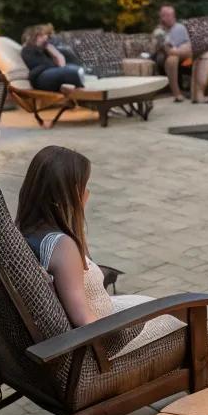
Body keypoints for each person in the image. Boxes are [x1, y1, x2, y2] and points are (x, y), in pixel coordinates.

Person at [16, 145, 184, 354]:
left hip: (107, 312)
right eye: (84, 188)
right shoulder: (62, 247)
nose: (88, 193)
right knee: (191, 322)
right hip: (107, 339)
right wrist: (121, 334)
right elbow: (84, 320)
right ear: (68, 195)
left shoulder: (25, 233)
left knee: (169, 308)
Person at [151, 4, 208, 104]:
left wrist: (177, 50)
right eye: (165, 15)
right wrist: (165, 47)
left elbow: (187, 45)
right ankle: (177, 94)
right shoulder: (158, 31)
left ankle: (198, 94)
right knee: (172, 58)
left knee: (207, 55)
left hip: (182, 55)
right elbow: (159, 50)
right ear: (161, 17)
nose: (169, 18)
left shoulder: (180, 28)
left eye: (171, 15)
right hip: (165, 58)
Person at [20, 25, 86, 94]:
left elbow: (61, 64)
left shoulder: (45, 50)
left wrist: (52, 50)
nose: (44, 38)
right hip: (40, 78)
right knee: (72, 71)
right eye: (40, 36)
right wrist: (55, 64)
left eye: (45, 36)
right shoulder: (27, 50)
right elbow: (41, 66)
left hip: (50, 74)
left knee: (73, 68)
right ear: (33, 37)